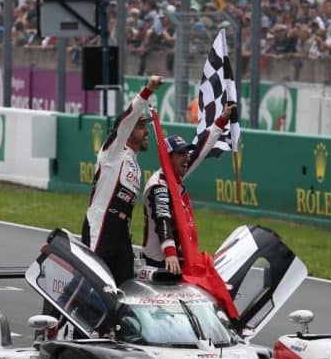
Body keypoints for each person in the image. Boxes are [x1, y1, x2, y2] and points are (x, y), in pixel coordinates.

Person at [82, 75, 163, 284]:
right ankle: (57, 318)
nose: (146, 132)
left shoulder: (135, 163)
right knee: (90, 282)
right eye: (141, 127)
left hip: (121, 233)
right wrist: (147, 91)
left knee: (125, 286)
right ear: (127, 132)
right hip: (102, 225)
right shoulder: (113, 152)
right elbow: (125, 120)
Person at [143, 104, 234, 273]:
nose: (186, 158)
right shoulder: (158, 185)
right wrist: (170, 253)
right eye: (180, 154)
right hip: (158, 262)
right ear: (167, 158)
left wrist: (222, 120)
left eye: (186, 153)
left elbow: (200, 151)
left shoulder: (175, 175)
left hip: (176, 258)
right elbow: (163, 218)